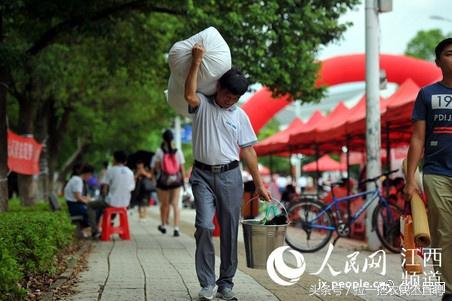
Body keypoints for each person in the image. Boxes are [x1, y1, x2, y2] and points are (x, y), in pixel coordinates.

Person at [185, 43, 271, 301]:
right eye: (226, 96)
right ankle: (207, 283)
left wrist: (259, 184)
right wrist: (196, 61)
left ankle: (226, 284)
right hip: (201, 176)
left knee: (230, 229)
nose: (229, 101)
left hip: (231, 176)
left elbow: (248, 152)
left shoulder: (240, 116)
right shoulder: (202, 104)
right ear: (218, 89)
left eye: (234, 99)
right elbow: (188, 94)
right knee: (202, 225)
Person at [404, 38, 452, 301]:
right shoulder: (427, 94)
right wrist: (410, 179)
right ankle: (449, 289)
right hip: (436, 173)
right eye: (449, 53)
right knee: (444, 232)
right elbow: (417, 139)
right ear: (438, 62)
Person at [87, 150, 135, 238]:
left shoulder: (111, 171)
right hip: (125, 203)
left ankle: (95, 231)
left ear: (114, 160)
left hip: (112, 202)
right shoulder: (130, 172)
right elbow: (132, 188)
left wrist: (105, 196)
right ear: (125, 161)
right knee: (107, 206)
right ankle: (109, 224)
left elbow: (105, 189)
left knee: (91, 205)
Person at [151, 129, 186, 237]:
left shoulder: (159, 152)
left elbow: (155, 167)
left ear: (163, 139)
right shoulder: (178, 151)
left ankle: (163, 225)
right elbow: (182, 169)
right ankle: (176, 228)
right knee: (175, 204)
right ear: (172, 139)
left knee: (164, 204)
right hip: (176, 180)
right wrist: (183, 182)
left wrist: (154, 177)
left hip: (163, 181)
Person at [64, 164, 94, 231]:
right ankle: (93, 230)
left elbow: (78, 196)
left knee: (92, 210)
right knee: (93, 212)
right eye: (91, 175)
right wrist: (88, 201)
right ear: (88, 174)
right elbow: (78, 197)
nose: (90, 177)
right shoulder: (78, 181)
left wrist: (87, 199)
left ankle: (93, 230)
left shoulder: (75, 179)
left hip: (73, 205)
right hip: (74, 207)